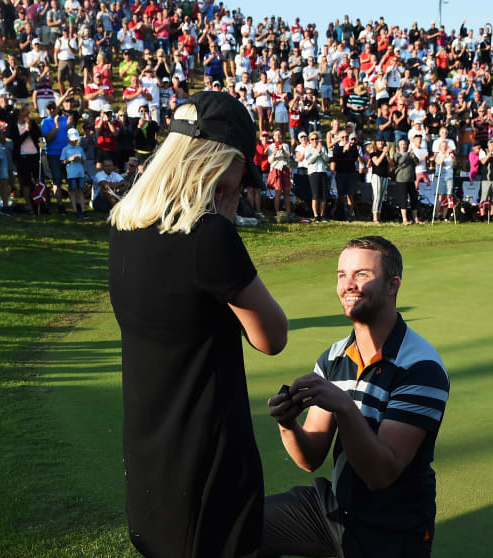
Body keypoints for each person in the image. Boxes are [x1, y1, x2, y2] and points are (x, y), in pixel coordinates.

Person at [108, 90, 287, 558]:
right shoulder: (209, 236)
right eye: (238, 169)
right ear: (215, 159)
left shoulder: (124, 228)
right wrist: (225, 226)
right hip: (207, 457)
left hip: (150, 453)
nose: (238, 184)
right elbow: (272, 336)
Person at [262, 235, 449, 558]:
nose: (348, 284)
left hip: (392, 529)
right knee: (232, 527)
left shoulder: (421, 367)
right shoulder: (334, 357)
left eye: (362, 274)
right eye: (341, 275)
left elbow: (381, 474)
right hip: (333, 509)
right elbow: (310, 458)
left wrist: (345, 407)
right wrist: (288, 423)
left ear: (393, 285)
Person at [61, 127, 88, 219]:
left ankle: (83, 210)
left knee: (80, 191)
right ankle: (75, 210)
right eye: (73, 139)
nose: (74, 141)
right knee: (72, 191)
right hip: (71, 173)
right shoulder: (65, 149)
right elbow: (62, 161)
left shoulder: (79, 148)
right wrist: (70, 159)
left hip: (80, 172)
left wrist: (80, 158)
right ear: (68, 138)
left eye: (76, 139)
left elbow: (84, 160)